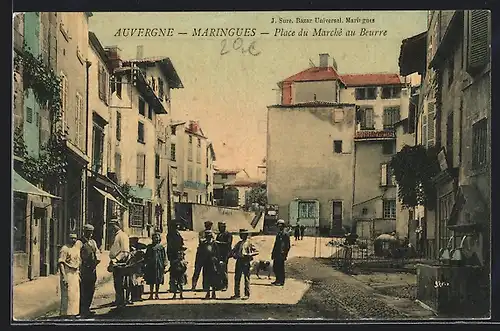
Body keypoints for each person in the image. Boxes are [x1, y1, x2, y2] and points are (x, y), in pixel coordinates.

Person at [229, 229, 259, 300]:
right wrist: (233, 255)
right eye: (241, 234)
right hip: (239, 260)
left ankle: (247, 294)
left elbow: (256, 251)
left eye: (244, 234)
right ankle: (237, 294)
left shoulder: (249, 243)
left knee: (246, 278)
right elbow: (233, 251)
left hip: (246, 261)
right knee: (237, 278)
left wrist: (249, 254)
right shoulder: (239, 243)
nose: (243, 236)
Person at [79, 224, 101, 318]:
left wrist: (97, 262)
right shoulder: (80, 242)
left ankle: (87, 308)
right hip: (84, 269)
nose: (90, 234)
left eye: (91, 232)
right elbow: (78, 256)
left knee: (91, 289)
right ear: (84, 232)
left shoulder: (93, 242)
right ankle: (82, 310)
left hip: (92, 269)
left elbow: (97, 252)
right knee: (83, 289)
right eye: (88, 232)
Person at [58, 233, 82, 318]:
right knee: (68, 294)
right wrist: (64, 276)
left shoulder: (76, 248)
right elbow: (61, 263)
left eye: (75, 238)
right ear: (68, 238)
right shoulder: (65, 248)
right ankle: (65, 314)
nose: (73, 240)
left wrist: (78, 273)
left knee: (75, 294)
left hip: (75, 273)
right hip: (67, 272)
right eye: (71, 238)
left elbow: (78, 261)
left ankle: (74, 313)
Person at [108, 219, 130, 307]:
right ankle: (118, 299)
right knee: (116, 283)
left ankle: (121, 302)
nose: (111, 228)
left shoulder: (122, 236)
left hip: (121, 262)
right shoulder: (115, 236)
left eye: (113, 226)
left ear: (117, 225)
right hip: (114, 262)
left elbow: (125, 252)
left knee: (120, 283)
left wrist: (116, 259)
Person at [199, 230, 223, 299]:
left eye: (209, 236)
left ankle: (213, 292)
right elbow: (201, 253)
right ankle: (207, 293)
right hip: (206, 263)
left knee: (214, 278)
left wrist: (217, 261)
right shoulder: (204, 244)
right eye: (207, 236)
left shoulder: (214, 244)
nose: (208, 238)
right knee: (206, 278)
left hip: (213, 263)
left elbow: (218, 253)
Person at [144, 232, 168, 300]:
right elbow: (146, 256)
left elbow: (164, 256)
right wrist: (145, 263)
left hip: (159, 266)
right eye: (154, 238)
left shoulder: (161, 247)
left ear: (159, 238)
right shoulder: (149, 247)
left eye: (157, 237)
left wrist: (165, 264)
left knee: (158, 280)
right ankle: (151, 294)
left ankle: (156, 294)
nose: (156, 239)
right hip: (151, 266)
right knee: (151, 280)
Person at [192, 220, 214, 290]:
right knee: (197, 270)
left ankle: (205, 286)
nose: (208, 227)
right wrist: (208, 240)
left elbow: (213, 242)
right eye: (207, 225)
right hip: (201, 253)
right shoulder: (201, 233)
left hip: (208, 254)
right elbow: (201, 241)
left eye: (209, 225)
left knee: (206, 271)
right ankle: (193, 285)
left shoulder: (213, 233)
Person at [271, 219, 291, 286]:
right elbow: (276, 244)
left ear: (283, 226)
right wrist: (273, 253)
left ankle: (281, 281)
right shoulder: (279, 233)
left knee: (280, 268)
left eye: (280, 225)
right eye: (278, 225)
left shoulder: (285, 234)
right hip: (276, 254)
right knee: (275, 267)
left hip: (281, 254)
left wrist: (285, 254)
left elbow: (288, 246)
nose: (279, 227)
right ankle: (277, 280)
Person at [215, 221, 233, 291]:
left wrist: (219, 243)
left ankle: (225, 285)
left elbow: (228, 244)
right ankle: (220, 285)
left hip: (225, 254)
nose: (219, 228)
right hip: (219, 254)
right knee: (219, 269)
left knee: (224, 269)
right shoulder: (219, 234)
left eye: (221, 227)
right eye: (219, 227)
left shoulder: (228, 234)